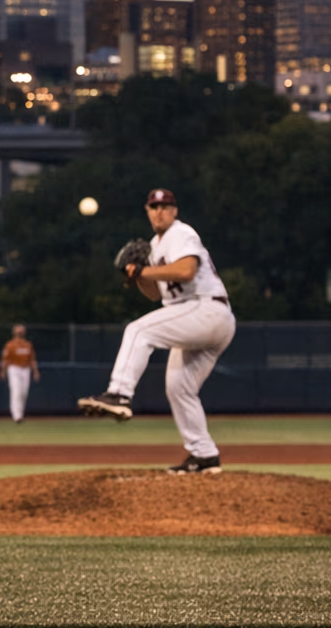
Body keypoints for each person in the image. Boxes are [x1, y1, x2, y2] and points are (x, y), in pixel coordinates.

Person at [78, 187, 236, 473]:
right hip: (201, 317)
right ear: (148, 212)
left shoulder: (180, 233)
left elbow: (186, 270)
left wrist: (144, 271)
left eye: (166, 206)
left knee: (139, 331)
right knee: (179, 388)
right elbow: (153, 294)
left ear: (174, 211)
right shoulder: (155, 245)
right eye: (154, 207)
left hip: (205, 308)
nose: (160, 211)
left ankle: (119, 394)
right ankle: (204, 455)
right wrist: (136, 274)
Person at [0, 324, 40, 421]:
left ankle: (20, 413)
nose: (20, 333)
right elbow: (5, 359)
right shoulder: (10, 345)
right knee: (16, 391)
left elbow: (32, 360)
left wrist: (36, 372)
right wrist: (3, 371)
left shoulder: (28, 345)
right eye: (18, 331)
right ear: (14, 332)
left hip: (26, 369)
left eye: (21, 331)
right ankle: (16, 415)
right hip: (14, 369)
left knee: (24, 392)